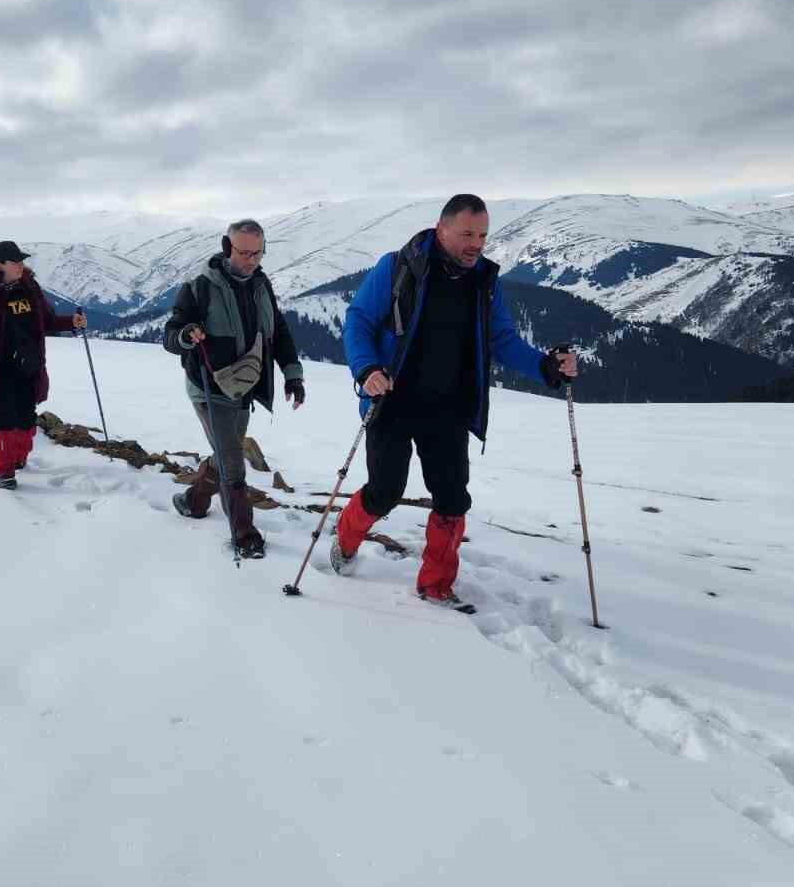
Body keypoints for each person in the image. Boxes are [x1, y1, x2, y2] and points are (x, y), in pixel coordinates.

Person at [332, 194, 578, 608]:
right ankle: (346, 534)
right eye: (467, 234)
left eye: (482, 235)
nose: (476, 244)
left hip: (448, 407)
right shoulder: (396, 267)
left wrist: (545, 367)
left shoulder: (484, 280)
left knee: (452, 497)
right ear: (441, 228)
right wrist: (367, 369)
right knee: (384, 491)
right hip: (391, 400)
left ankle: (436, 584)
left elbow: (501, 340)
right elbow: (358, 321)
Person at [162, 218, 305, 559]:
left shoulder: (260, 284)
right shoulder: (200, 285)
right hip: (209, 388)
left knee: (228, 453)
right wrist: (186, 335)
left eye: (258, 254)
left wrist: (292, 374)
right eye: (244, 253)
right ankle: (245, 535)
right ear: (227, 248)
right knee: (232, 462)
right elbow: (170, 335)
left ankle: (194, 502)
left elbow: (279, 331)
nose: (251, 260)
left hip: (245, 386)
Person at [0, 240, 85, 488]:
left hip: (30, 366)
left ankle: (17, 456)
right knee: (7, 418)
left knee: (27, 416)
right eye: (15, 261)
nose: (20, 265)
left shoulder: (30, 287)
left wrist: (71, 322)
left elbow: (46, 321)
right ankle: (4, 470)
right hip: (0, 370)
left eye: (21, 261)